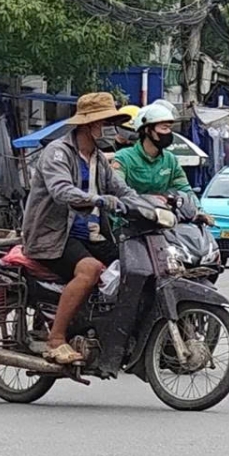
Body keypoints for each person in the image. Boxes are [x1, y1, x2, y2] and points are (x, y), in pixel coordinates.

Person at [21, 92, 138, 365]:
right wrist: (96, 199)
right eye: (105, 123)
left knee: (134, 268)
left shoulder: (98, 159)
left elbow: (123, 190)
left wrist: (149, 207)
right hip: (53, 237)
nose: (109, 129)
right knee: (91, 269)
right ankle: (56, 339)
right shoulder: (58, 153)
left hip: (92, 236)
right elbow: (62, 191)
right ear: (89, 125)